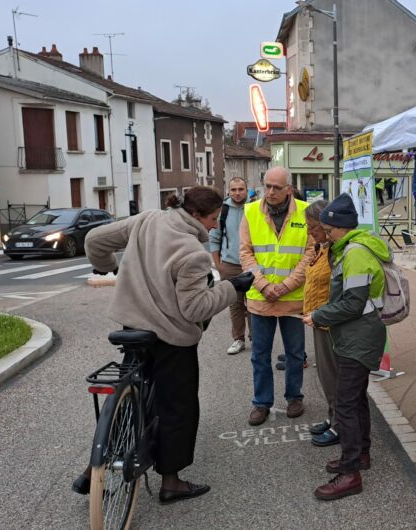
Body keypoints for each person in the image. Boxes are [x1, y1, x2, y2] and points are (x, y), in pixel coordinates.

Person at [78, 186, 254, 503]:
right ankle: (171, 482)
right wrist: (232, 287)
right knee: (179, 406)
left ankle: (96, 467)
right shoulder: (192, 252)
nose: (214, 226)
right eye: (213, 219)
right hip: (170, 337)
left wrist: (108, 266)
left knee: (129, 389)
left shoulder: (147, 220)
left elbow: (94, 241)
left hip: (132, 323)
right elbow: (195, 309)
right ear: (197, 215)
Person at [302, 193, 389, 501]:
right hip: (355, 335)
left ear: (336, 226)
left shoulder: (354, 254)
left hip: (358, 337)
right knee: (355, 399)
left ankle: (350, 473)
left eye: (325, 227)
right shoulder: (349, 249)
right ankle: (360, 455)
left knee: (346, 402)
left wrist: (318, 315)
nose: (322, 233)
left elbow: (353, 303)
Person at [240, 166, 313, 426]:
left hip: (292, 297)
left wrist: (286, 285)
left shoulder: (305, 212)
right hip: (261, 298)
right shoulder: (250, 212)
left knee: (295, 353)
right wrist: (263, 285)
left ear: (288, 190)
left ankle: (295, 397)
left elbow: (310, 252)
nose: (269, 192)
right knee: (260, 354)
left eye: (276, 187)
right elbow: (246, 253)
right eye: (266, 186)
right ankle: (262, 403)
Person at [301, 200, 339, 447]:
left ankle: (339, 426)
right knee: (326, 376)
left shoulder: (337, 251)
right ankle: (332, 416)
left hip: (330, 323)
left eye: (313, 227)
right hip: (319, 320)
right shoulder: (322, 247)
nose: (309, 233)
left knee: (334, 377)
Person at [210, 177, 252, 355]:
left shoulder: (255, 208)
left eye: (240, 189)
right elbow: (214, 238)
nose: (237, 193)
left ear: (246, 190)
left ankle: (256, 339)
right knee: (235, 304)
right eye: (233, 189)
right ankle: (238, 339)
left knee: (253, 304)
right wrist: (219, 266)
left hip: (251, 263)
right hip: (230, 264)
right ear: (228, 191)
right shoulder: (222, 211)